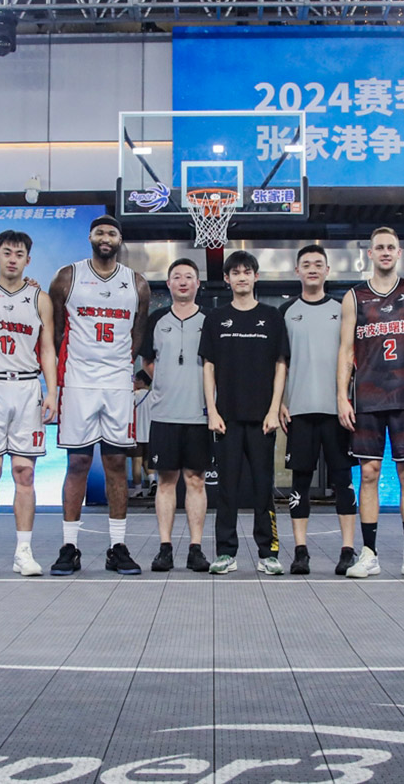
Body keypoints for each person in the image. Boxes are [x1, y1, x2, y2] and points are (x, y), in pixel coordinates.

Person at [48, 215, 151, 575]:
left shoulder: (136, 283)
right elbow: (57, 331)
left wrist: (117, 364)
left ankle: (117, 547)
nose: (105, 237)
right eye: (100, 232)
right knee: (77, 462)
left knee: (116, 463)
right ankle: (69, 547)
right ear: (90, 236)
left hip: (117, 384)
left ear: (120, 239)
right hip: (78, 382)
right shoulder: (67, 276)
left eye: (112, 233)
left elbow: (138, 334)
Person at [339, 227, 404, 580]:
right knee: (369, 473)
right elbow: (346, 350)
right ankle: (369, 553)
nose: (385, 252)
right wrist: (341, 396)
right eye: (379, 247)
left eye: (391, 247)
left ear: (399, 254)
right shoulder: (354, 297)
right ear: (370, 254)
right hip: (367, 398)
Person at [0, 230, 58, 578]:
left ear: (28, 260)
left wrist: (52, 391)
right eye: (6, 253)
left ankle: (24, 552)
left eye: (19, 254)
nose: (12, 259)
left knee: (25, 472)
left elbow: (47, 349)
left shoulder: (39, 298)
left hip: (26, 386)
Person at [200, 250, 290, 575]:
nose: (241, 277)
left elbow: (281, 365)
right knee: (227, 489)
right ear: (227, 279)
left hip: (263, 420)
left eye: (246, 271)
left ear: (255, 276)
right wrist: (212, 411)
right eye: (235, 272)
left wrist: (273, 410)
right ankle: (226, 553)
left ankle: (269, 553)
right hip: (227, 419)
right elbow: (208, 367)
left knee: (263, 488)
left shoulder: (272, 316)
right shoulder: (215, 318)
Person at [280, 245, 357, 575]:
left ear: (327, 270)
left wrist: (347, 398)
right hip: (299, 410)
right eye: (306, 264)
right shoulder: (286, 311)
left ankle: (348, 550)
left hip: (337, 411)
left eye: (318, 264)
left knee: (343, 480)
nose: (312, 269)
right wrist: (280, 401)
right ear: (297, 271)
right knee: (300, 481)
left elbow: (352, 357)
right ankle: (300, 552)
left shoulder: (342, 309)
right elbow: (279, 363)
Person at [138, 258, 212, 573]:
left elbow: (216, 366)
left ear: (197, 283)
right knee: (166, 481)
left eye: (189, 276)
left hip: (199, 415)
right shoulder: (157, 320)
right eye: (177, 277)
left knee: (196, 480)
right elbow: (147, 361)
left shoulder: (210, 320)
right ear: (168, 284)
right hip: (164, 415)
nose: (183, 281)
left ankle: (196, 548)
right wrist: (166, 385)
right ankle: (165, 548)